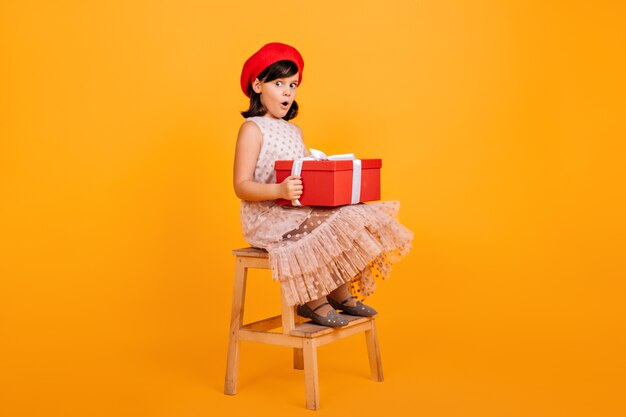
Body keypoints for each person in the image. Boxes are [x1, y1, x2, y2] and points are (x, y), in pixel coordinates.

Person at [233, 42, 413, 327]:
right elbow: (241, 186)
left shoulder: (295, 130)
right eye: (278, 83)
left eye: (293, 85)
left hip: (295, 209)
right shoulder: (252, 129)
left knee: (347, 214)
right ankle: (312, 297)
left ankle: (338, 291)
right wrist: (278, 191)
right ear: (257, 85)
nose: (287, 92)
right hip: (267, 215)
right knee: (321, 227)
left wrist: (324, 174)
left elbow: (301, 174)